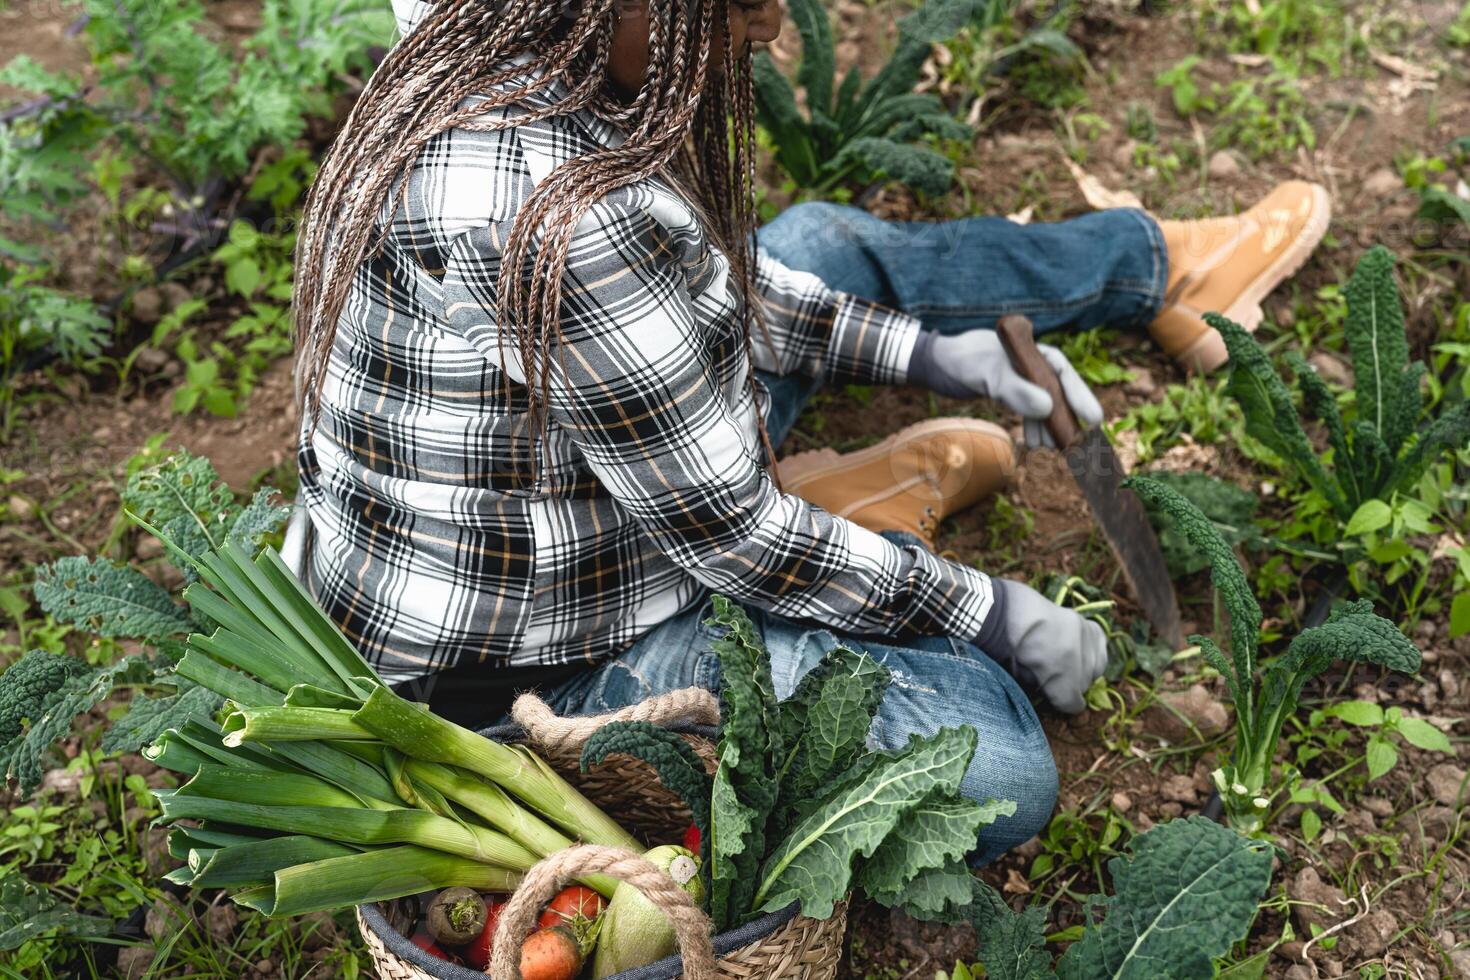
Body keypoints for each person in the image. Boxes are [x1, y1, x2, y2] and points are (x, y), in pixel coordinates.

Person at [287, 0, 1329, 863]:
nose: (772, 26)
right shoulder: (549, 212)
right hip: (535, 670)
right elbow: (738, 538)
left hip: (595, 492)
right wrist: (997, 612)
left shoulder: (505, 36)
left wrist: (934, 354)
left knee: (818, 242)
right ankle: (842, 516)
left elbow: (714, 282)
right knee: (999, 763)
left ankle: (1151, 264)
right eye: (738, 4)